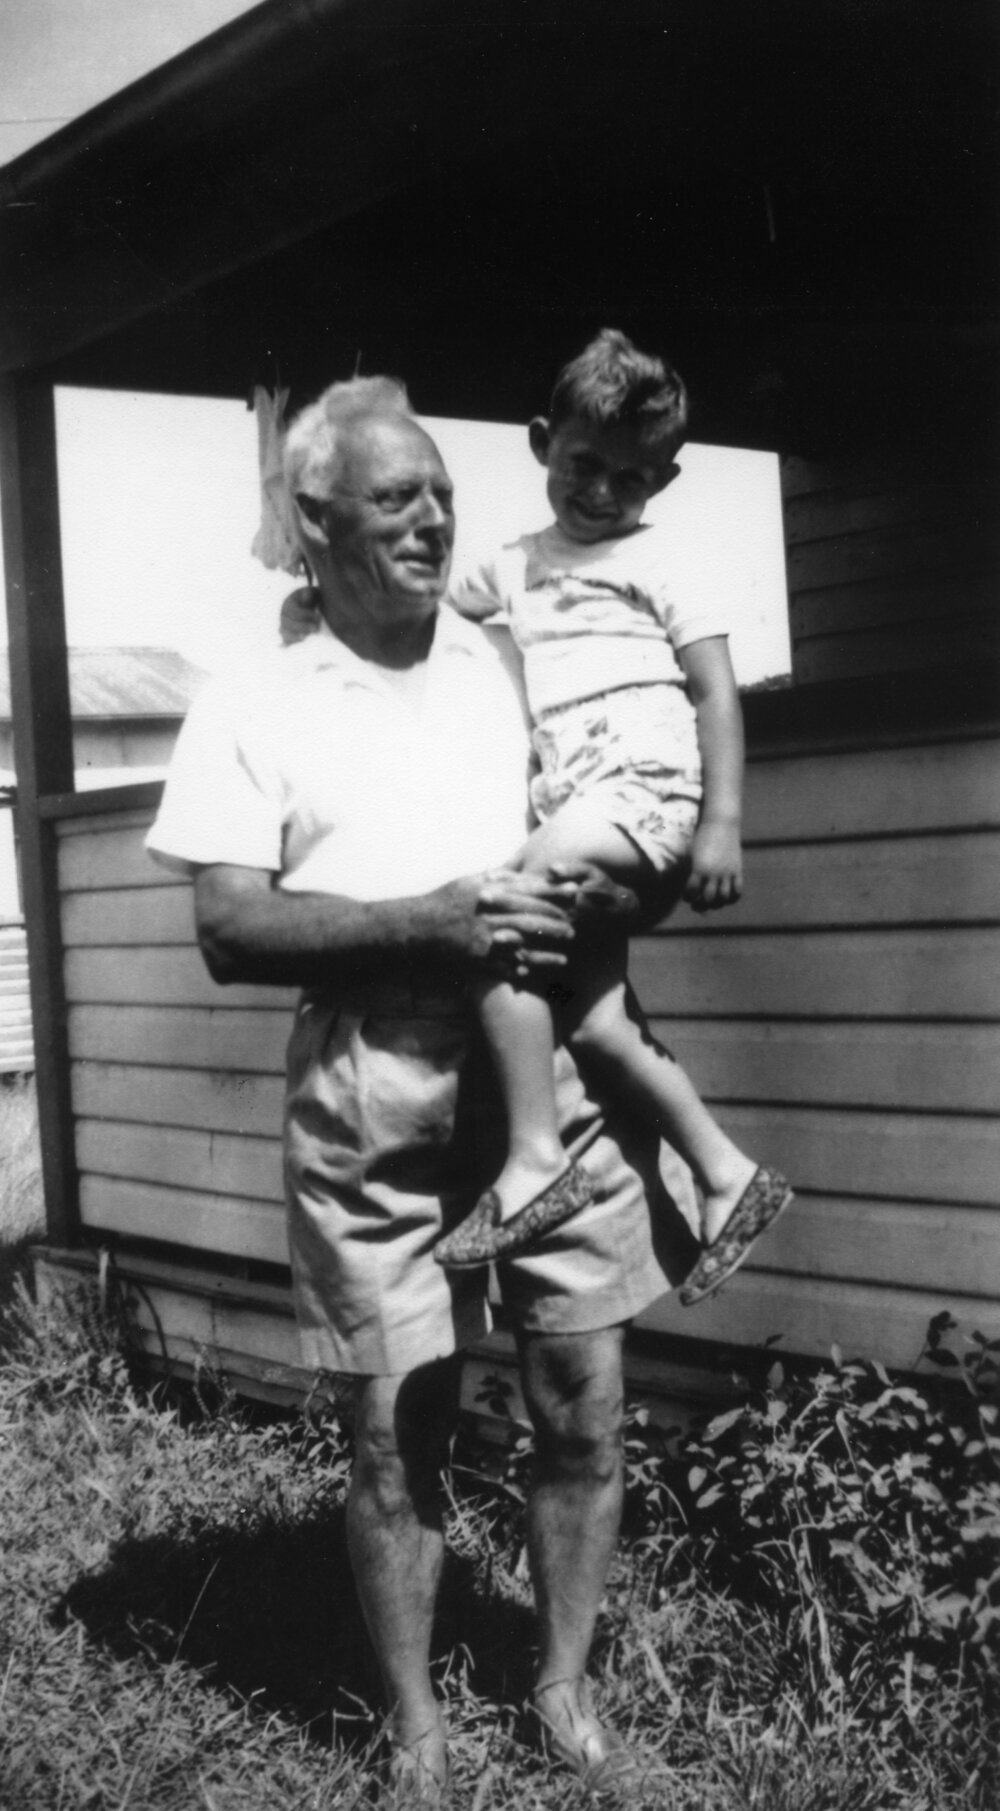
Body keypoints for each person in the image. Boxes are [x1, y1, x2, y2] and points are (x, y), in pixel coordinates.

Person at [147, 376, 692, 1804]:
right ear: (313, 518)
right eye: (397, 498)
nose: (435, 518)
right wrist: (428, 921)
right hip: (373, 1077)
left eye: (442, 491)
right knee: (397, 1424)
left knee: (583, 1393)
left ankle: (561, 1683)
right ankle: (417, 1730)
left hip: (551, 1061)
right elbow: (227, 927)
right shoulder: (255, 694)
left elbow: (634, 780)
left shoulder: (513, 657)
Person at [281, 335, 793, 1306]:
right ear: (540, 444)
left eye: (633, 479)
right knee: (596, 1024)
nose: (603, 493)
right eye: (584, 466)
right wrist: (327, 603)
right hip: (574, 799)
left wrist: (722, 821)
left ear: (667, 480)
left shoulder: (668, 559)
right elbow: (425, 599)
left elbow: (716, 693)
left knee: (502, 910)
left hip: (641, 785)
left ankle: (533, 1161)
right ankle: (727, 1174)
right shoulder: (516, 565)